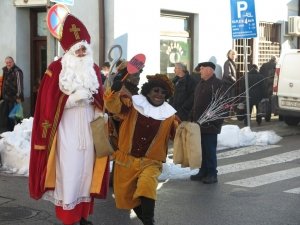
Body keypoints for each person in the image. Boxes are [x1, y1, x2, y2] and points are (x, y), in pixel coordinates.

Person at [29, 14, 110, 225]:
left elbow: (100, 96)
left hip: (89, 126)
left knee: (86, 170)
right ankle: (68, 216)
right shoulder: (56, 70)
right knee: (70, 169)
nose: (82, 53)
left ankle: (82, 214)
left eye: (84, 48)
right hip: (66, 127)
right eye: (78, 50)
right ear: (69, 51)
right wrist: (71, 100)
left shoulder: (92, 69)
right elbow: (47, 103)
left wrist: (100, 110)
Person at [104, 74, 178, 225]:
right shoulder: (133, 104)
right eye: (156, 90)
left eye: (163, 92)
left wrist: (192, 130)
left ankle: (149, 221)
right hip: (126, 160)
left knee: (147, 186)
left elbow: (179, 135)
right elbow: (113, 107)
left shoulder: (170, 115)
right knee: (127, 196)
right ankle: (146, 221)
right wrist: (114, 91)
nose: (159, 95)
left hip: (151, 161)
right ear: (148, 90)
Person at [190, 62, 225, 184]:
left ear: (210, 70)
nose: (200, 71)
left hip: (210, 124)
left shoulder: (217, 84)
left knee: (209, 149)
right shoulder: (201, 84)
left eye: (202, 69)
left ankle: (212, 173)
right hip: (198, 124)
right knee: (201, 149)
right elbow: (196, 102)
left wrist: (215, 122)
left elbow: (221, 105)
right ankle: (202, 171)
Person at [1, 56, 24, 131]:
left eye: (10, 62)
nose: (8, 64)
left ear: (13, 62)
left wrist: (18, 97)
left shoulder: (17, 71)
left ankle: (16, 133)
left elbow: (20, 85)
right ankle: (9, 132)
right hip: (6, 98)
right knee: (7, 117)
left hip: (14, 98)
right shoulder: (5, 70)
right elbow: (4, 83)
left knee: (15, 117)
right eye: (7, 62)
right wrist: (2, 96)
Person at [259, 56, 277, 121]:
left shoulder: (264, 65)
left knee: (267, 101)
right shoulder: (277, 66)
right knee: (274, 100)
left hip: (265, 86)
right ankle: (277, 114)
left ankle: (267, 116)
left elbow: (260, 73)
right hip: (272, 86)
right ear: (275, 60)